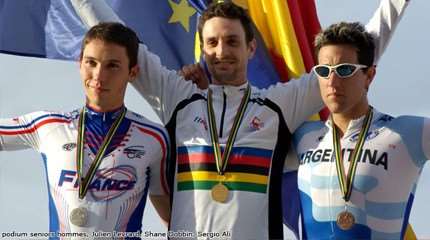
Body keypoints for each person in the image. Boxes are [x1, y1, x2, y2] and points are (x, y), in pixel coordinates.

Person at [71, 1, 407, 239]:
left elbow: (358, 51)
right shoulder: (178, 97)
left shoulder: (278, 104)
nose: (221, 51)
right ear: (202, 49)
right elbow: (122, 40)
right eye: (212, 43)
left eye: (232, 42)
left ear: (251, 48)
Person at [0, 22, 170, 238]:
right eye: (91, 62)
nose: (99, 75)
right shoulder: (48, 126)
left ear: (132, 72)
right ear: (79, 63)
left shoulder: (154, 138)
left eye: (112, 65)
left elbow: (172, 218)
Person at [290, 21, 429, 239]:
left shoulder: (408, 132)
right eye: (324, 71)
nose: (332, 81)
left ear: (369, 76)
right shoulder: (302, 136)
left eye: (344, 70)